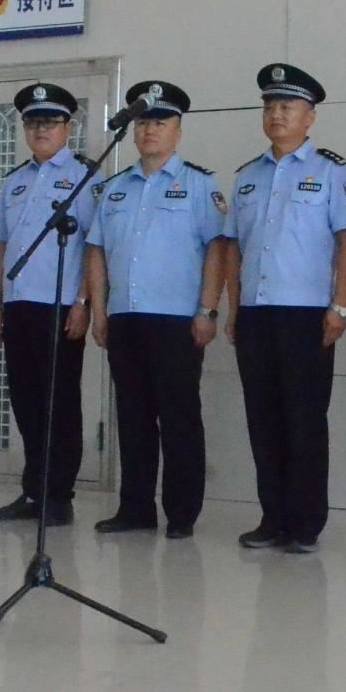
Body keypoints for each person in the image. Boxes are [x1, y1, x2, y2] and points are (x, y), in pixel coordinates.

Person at [223, 63, 346, 553]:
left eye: (287, 106)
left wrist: (341, 306)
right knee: (262, 419)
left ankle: (305, 523)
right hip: (255, 313)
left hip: (306, 315)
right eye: (269, 106)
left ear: (310, 117)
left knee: (304, 421)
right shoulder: (247, 177)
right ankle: (272, 517)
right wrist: (234, 307)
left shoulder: (331, 171)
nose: (276, 114)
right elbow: (234, 249)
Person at [84, 80, 229, 540]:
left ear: (177, 131)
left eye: (160, 122)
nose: (150, 130)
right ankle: (136, 507)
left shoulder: (200, 185)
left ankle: (182, 512)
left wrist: (208, 310)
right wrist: (100, 312)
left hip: (176, 321)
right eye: (144, 122)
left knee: (179, 417)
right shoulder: (113, 189)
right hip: (125, 317)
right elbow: (95, 251)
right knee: (133, 417)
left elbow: (217, 250)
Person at [0, 82, 94, 525]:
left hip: (60, 307)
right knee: (26, 402)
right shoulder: (14, 181)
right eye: (32, 123)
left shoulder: (87, 178)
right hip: (18, 307)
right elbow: (1, 246)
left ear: (68, 127)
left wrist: (84, 301)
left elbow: (94, 248)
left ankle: (59, 497)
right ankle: (33, 491)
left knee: (59, 403)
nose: (40, 130)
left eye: (49, 122)